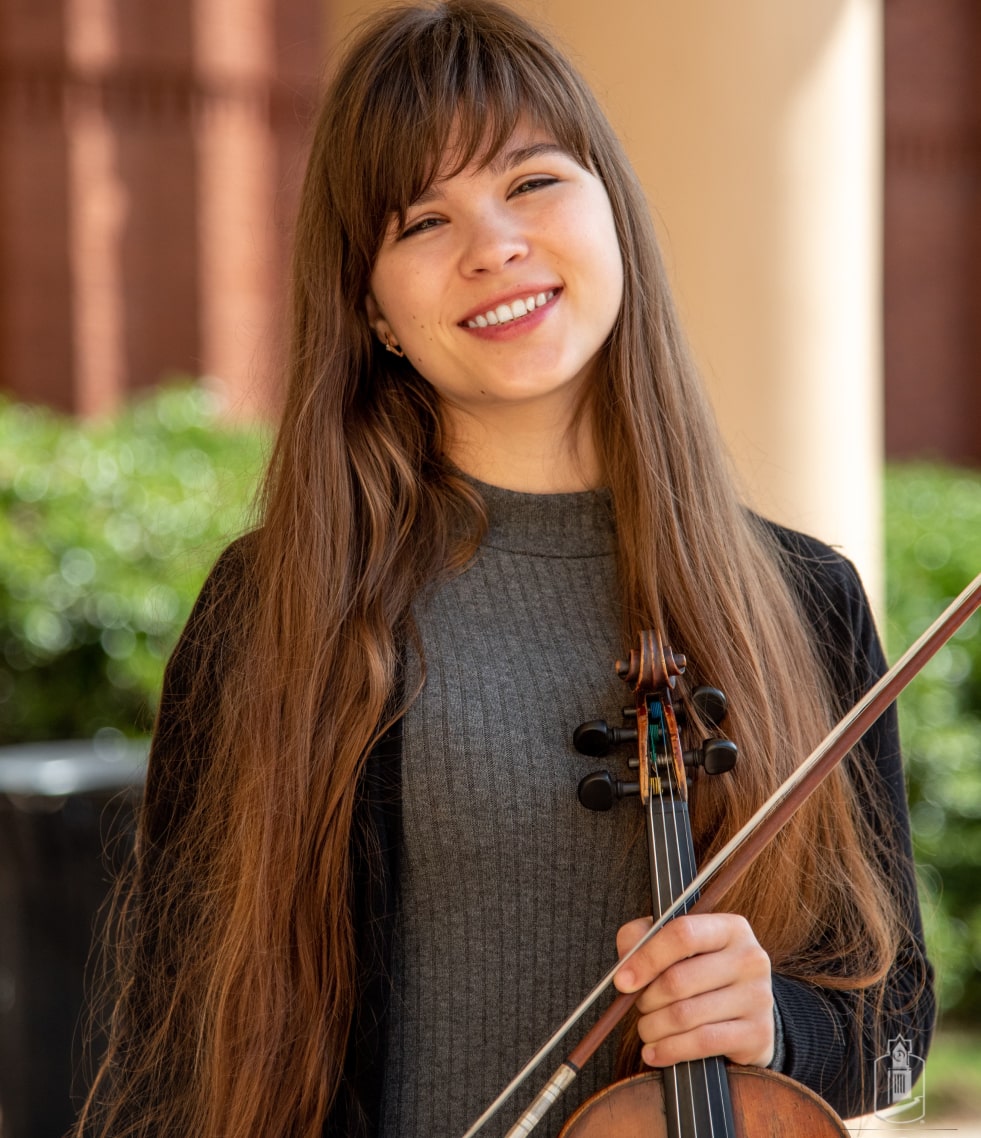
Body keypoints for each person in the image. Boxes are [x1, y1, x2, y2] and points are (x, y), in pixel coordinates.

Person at [76, 2, 934, 1136]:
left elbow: (901, 1027)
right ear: (372, 306)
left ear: (610, 208)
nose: (495, 248)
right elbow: (164, 1061)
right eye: (422, 220)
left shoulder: (803, 599)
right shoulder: (274, 609)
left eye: (532, 183)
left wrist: (780, 1022)